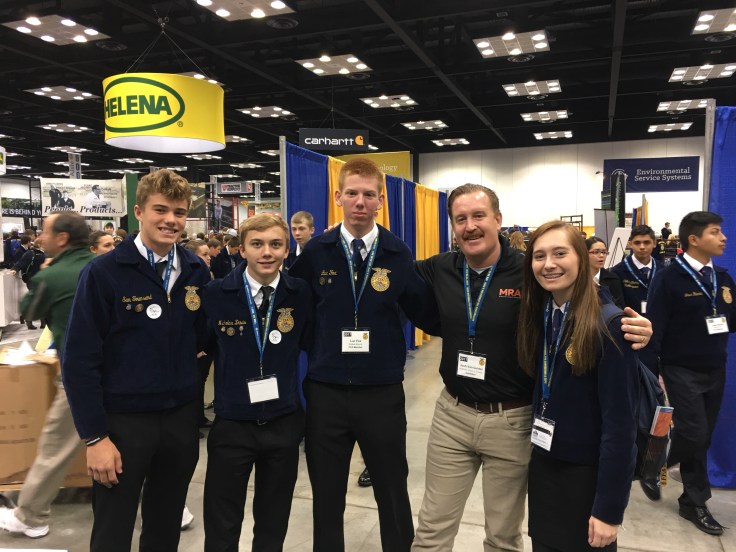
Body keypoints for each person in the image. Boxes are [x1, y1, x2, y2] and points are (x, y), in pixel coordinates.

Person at [411, 184, 652, 552]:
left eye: (479, 215)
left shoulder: (526, 273)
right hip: (454, 414)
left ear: (498, 219)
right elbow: (395, 275)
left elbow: (585, 296)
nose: (470, 225)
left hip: (513, 420)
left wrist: (631, 325)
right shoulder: (441, 267)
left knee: (503, 536)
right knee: (431, 530)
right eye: (461, 218)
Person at [289, 157, 438, 552]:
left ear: (381, 201)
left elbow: (423, 310)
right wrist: (319, 349)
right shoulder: (316, 252)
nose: (360, 201)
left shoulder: (396, 253)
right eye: (352, 193)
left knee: (392, 489)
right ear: (338, 197)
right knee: (326, 493)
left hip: (381, 391)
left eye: (369, 194)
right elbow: (295, 311)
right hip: (326, 391)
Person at [61, 169, 210, 552]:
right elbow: (78, 360)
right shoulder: (104, 272)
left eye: (179, 212)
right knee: (113, 529)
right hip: (123, 424)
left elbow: (203, 338)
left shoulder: (196, 271)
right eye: (161, 210)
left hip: (179, 421)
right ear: (139, 211)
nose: (171, 220)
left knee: (165, 526)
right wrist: (95, 437)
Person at [518, 221, 639, 552]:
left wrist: (609, 509)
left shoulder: (610, 325)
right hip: (544, 464)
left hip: (586, 475)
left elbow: (620, 427)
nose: (549, 264)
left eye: (560, 253)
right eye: (539, 256)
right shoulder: (542, 313)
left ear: (581, 259)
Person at [202, 214, 312, 551]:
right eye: (257, 244)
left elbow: (311, 342)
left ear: (286, 249)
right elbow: (201, 351)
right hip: (233, 424)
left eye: (276, 244)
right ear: (242, 249)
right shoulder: (216, 294)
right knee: (222, 521)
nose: (267, 252)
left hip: (283, 422)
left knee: (273, 519)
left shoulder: (299, 293)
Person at [0, 212, 95, 539]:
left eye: (45, 232)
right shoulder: (104, 267)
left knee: (56, 446)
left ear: (62, 238)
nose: (40, 237)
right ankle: (174, 505)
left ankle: (30, 516)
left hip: (79, 377)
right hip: (120, 374)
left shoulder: (51, 276)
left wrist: (44, 275)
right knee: (134, 439)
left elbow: (29, 311)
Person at [639, 211, 735, 534]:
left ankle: (687, 496)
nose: (723, 238)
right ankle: (657, 467)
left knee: (702, 436)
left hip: (715, 367)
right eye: (715, 232)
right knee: (694, 433)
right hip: (680, 368)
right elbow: (654, 327)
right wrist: (651, 373)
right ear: (694, 239)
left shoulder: (722, 278)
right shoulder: (669, 278)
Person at [610, 225, 662, 317]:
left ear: (654, 243)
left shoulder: (663, 270)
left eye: (646, 242)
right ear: (630, 244)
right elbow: (617, 305)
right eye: (637, 243)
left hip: (658, 322)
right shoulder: (617, 272)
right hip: (629, 322)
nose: (642, 247)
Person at [11, 238, 47, 329]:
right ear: (39, 244)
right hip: (33, 280)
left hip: (41, 280)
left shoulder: (43, 253)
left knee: (40, 300)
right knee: (36, 300)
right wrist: (15, 269)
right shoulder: (30, 253)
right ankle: (29, 320)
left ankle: (42, 322)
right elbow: (21, 263)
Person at [585, 237, 624, 308]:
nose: (601, 255)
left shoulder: (612, 279)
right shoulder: (575, 277)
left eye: (604, 252)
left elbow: (619, 306)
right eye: (596, 252)